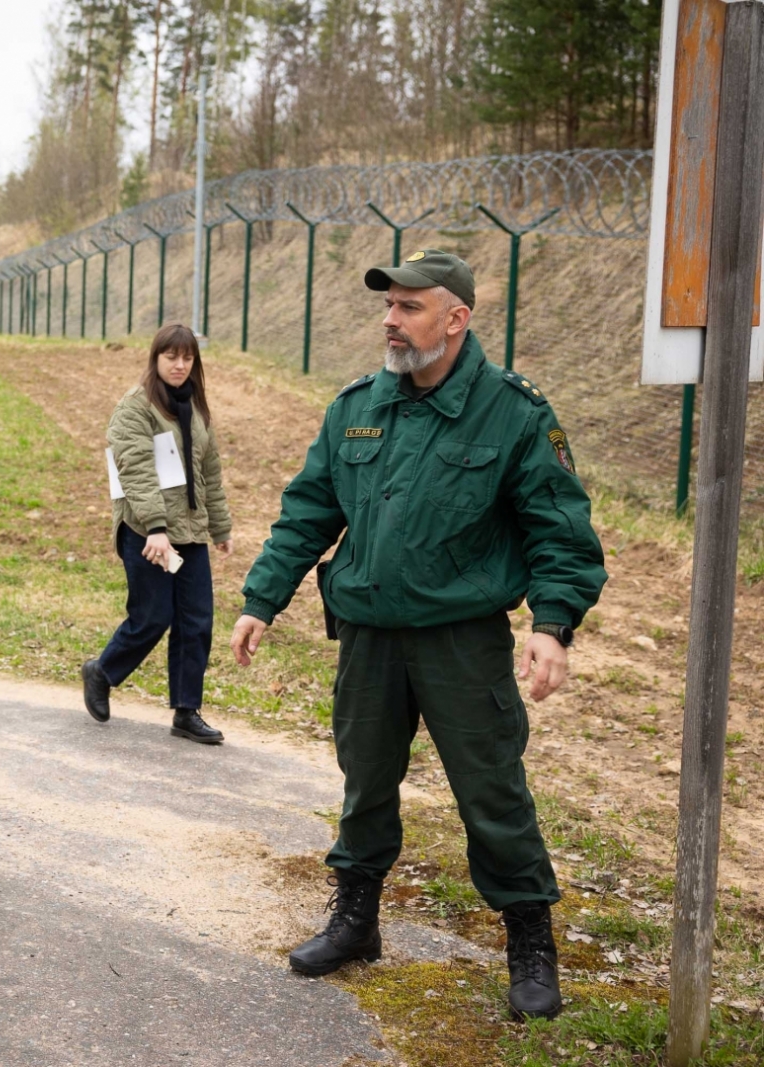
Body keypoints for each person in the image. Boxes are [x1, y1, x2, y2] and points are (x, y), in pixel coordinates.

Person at [230, 250, 607, 1020]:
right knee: (365, 780)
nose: (390, 322)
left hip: (460, 639)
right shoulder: (359, 405)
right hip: (369, 634)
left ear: (456, 319)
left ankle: (530, 940)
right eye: (389, 307)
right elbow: (308, 510)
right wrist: (262, 598)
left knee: (491, 791)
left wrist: (553, 624)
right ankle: (356, 919)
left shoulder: (513, 413)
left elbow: (559, 529)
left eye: (408, 308)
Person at [82, 324, 232, 744]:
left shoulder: (196, 409)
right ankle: (102, 671)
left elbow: (210, 473)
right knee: (153, 617)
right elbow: (136, 471)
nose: (180, 365)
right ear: (156, 359)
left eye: (187, 358)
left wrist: (219, 526)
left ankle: (187, 711)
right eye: (172, 357)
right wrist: (157, 529)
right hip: (145, 531)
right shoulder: (135, 408)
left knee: (196, 621)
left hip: (190, 531)